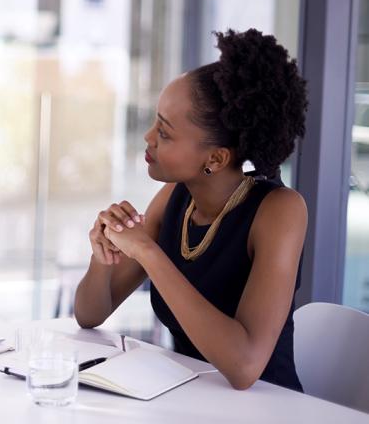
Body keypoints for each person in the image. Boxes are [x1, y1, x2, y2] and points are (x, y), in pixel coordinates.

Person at [73, 29, 307, 391]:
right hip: (189, 400)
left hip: (267, 408)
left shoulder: (280, 211)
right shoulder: (175, 197)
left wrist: (148, 252)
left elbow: (245, 367)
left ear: (215, 158)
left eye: (165, 133)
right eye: (155, 122)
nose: (149, 137)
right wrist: (102, 256)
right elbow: (90, 315)